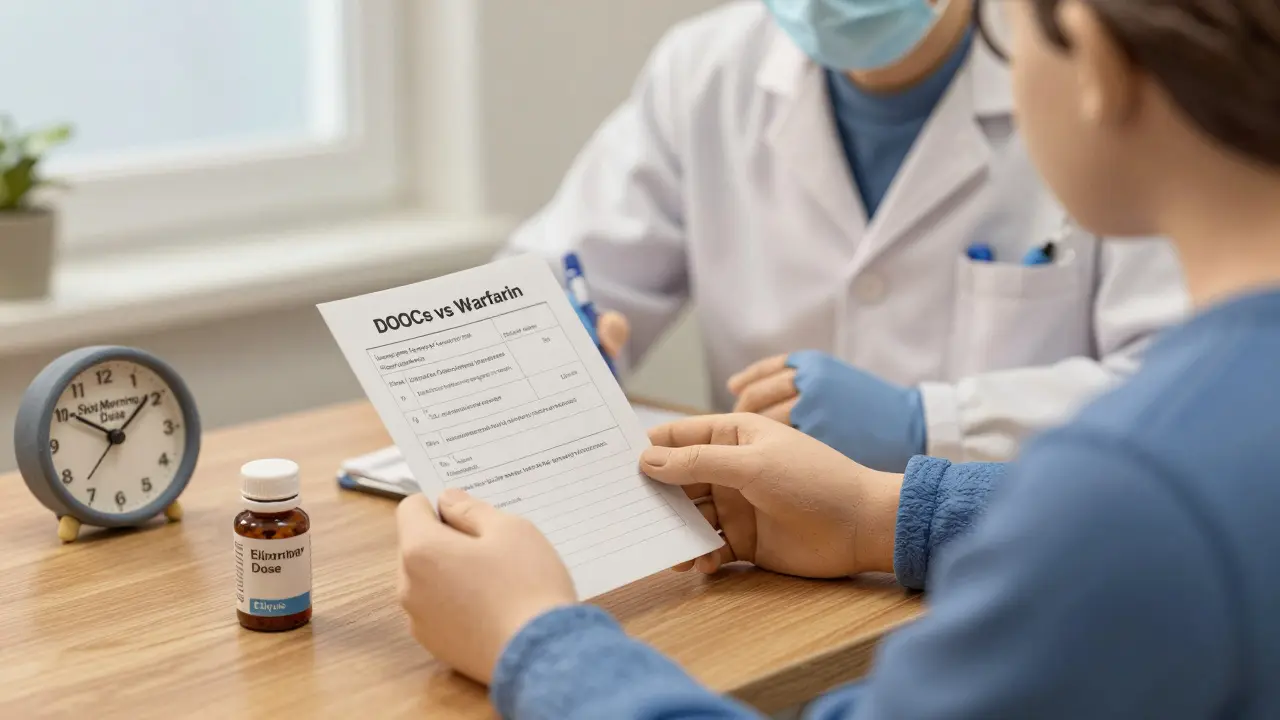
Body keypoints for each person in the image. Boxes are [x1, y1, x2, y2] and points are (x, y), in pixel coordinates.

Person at [398, 0, 1280, 717]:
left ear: (1094, 62)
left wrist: (531, 632)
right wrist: (882, 511)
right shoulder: (708, 69)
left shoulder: (1129, 494)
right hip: (778, 577)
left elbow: (1113, 511)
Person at [500, 0, 1186, 471]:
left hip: (1016, 560)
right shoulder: (706, 69)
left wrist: (932, 424)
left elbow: (1188, 389)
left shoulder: (1095, 74)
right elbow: (556, 274)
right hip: (766, 575)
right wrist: (548, 342)